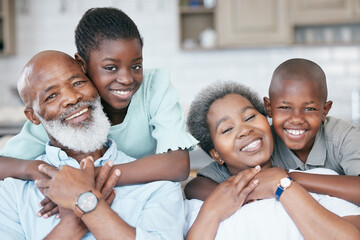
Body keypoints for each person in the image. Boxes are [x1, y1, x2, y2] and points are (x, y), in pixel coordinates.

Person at [0, 7, 197, 216]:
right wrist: (37, 170)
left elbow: (177, 165)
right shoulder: (69, 113)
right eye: (111, 68)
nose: (126, 79)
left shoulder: (154, 86)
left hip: (148, 197)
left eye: (136, 66)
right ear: (82, 64)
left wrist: (82, 180)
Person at [0, 50, 185, 239]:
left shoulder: (158, 185)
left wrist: (85, 201)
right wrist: (73, 223)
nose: (72, 98)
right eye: (52, 96)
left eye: (78, 83)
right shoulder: (11, 192)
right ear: (33, 116)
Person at [184, 81, 360, 240]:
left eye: (250, 117)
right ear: (216, 155)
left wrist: (282, 185)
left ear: (267, 123)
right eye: (227, 129)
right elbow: (193, 187)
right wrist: (214, 210)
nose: (245, 130)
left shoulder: (321, 183)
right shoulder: (202, 206)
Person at [185, 58, 360, 206]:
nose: (296, 119)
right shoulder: (259, 145)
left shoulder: (342, 136)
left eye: (309, 108)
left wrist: (286, 179)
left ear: (325, 110)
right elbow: (195, 186)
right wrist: (246, 196)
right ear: (269, 108)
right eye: (284, 107)